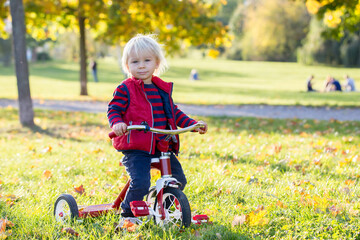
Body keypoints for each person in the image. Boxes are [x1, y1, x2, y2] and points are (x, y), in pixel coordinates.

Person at [107, 34, 208, 225]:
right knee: (141, 182)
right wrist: (117, 123)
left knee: (178, 179)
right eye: (135, 62)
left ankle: (164, 209)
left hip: (161, 146)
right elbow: (114, 109)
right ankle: (127, 214)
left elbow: (174, 113)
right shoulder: (125, 89)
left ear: (156, 63)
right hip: (136, 146)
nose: (142, 66)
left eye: (147, 60)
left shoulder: (161, 89)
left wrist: (192, 124)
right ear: (127, 66)